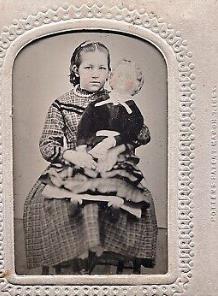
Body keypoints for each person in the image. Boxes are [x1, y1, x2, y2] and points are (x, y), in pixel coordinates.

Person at [23, 41, 157, 274]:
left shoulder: (117, 97)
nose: (96, 75)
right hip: (76, 162)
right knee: (45, 200)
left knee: (138, 197)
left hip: (115, 165)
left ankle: (105, 259)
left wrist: (123, 115)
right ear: (76, 70)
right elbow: (47, 145)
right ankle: (74, 259)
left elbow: (142, 134)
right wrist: (72, 154)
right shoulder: (61, 103)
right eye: (89, 68)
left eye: (102, 69)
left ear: (109, 72)